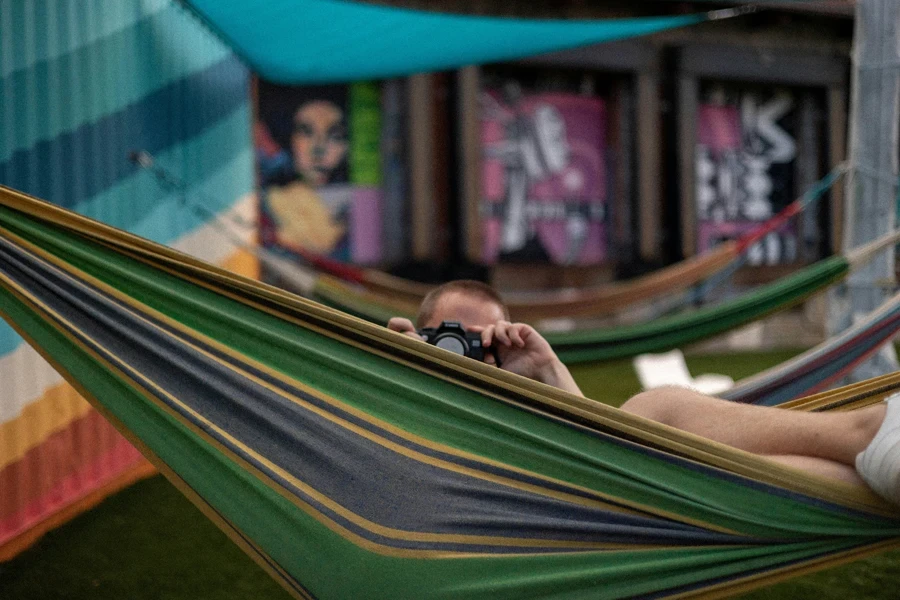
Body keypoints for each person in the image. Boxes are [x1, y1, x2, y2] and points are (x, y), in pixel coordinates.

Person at [388, 280, 900, 507]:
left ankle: (877, 454)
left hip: (606, 499)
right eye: (452, 337)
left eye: (484, 342)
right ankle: (872, 432)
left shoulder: (522, 399)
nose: (470, 353)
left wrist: (547, 368)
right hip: (520, 518)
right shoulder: (391, 393)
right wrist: (387, 366)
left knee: (657, 414)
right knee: (659, 407)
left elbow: (597, 450)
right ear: (423, 333)